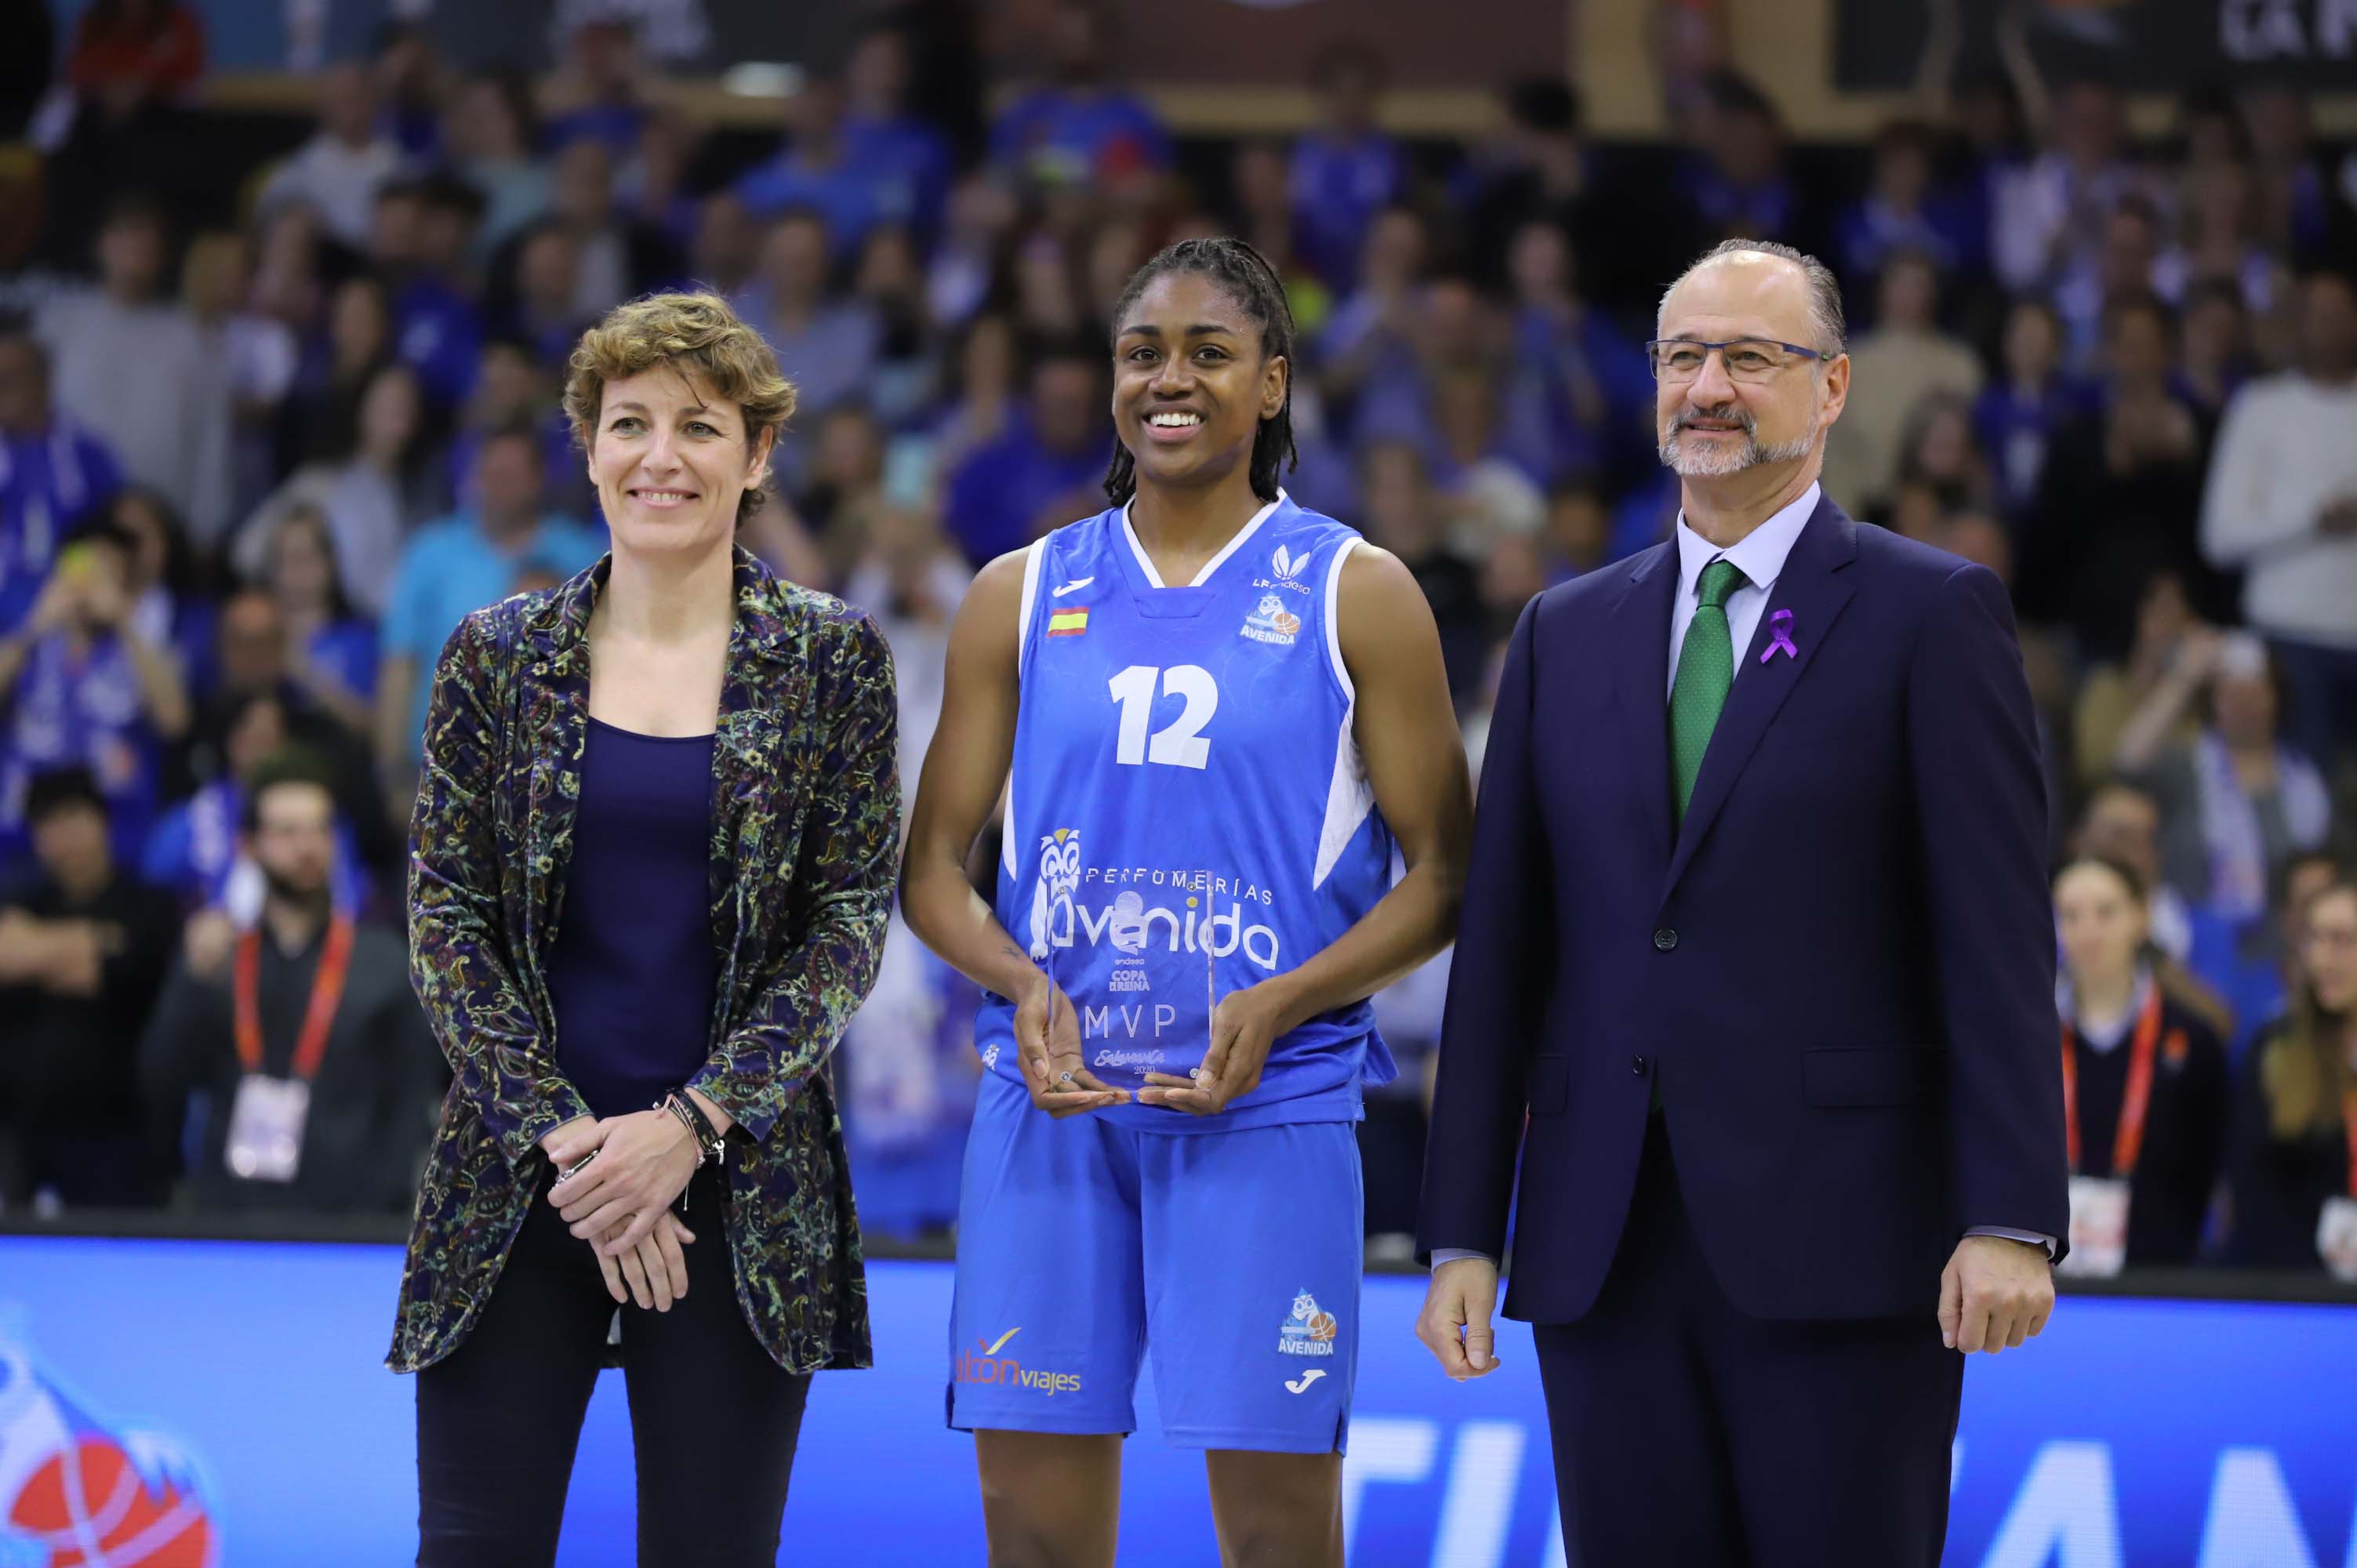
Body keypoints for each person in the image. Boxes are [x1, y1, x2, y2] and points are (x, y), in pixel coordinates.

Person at [1416, 238, 2065, 1565]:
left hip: (1844, 1243)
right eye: (1682, 357)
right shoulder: (1561, 629)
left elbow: (1994, 943)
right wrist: (1462, 1230)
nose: (1707, 387)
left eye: (1749, 359)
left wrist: (2009, 1215)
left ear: (1830, 390)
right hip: (1603, 1246)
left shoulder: (1931, 613)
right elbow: (1505, 956)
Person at [899, 237, 1470, 1567]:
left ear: (1271, 385)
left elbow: (1448, 873)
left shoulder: (1358, 591)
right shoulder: (1020, 592)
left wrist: (1282, 999)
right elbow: (932, 868)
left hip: (1269, 1103)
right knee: (1030, 1533)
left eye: (1209, 353)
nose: (1171, 379)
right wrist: (1021, 983)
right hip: (1052, 1099)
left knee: (1276, 1538)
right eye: (1142, 353)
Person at [391, 291, 901, 1563]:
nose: (660, 457)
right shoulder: (494, 657)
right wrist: (580, 1153)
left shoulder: (834, 661)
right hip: (523, 1177)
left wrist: (687, 1130)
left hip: (741, 1186)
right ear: (587, 444)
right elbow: (445, 919)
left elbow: (846, 928)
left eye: (699, 427)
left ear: (759, 456)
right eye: (629, 423)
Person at [138, 752, 430, 1213]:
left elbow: (413, 1096)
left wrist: (383, 1202)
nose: (307, 846)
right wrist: (191, 978)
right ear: (249, 846)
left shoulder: (385, 960)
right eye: (287, 832)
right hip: (228, 1215)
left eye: (319, 829)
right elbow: (161, 1079)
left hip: (349, 1222)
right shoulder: (218, 955)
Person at [2199, 268, 2357, 780]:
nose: (2329, 324)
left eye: (2340, 312)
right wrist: (2314, 519)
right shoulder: (2260, 408)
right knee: (2301, 803)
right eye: (2317, 312)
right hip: (2288, 635)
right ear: (2295, 322)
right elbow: (2219, 538)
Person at [0, 766, 180, 1207]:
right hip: (21, 1131)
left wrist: (35, 947)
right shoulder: (21, 899)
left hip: (119, 1134)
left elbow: (116, 971)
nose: (63, 837)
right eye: (48, 824)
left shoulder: (148, 904)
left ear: (103, 822)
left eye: (73, 817)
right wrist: (95, 940)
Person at [2052, 856, 2228, 1272]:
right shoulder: (2028, 1036)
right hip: (2044, 1287)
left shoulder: (2192, 1041)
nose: (2088, 931)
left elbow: (2206, 1170)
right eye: (2070, 915)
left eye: (2106, 912)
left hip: (2160, 1284)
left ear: (2141, 916)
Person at [2226, 873, 2357, 1275]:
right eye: (2313, 939)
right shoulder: (2277, 1046)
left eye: (2341, 940)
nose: (2322, 957)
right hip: (2297, 1288)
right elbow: (2252, 1187)